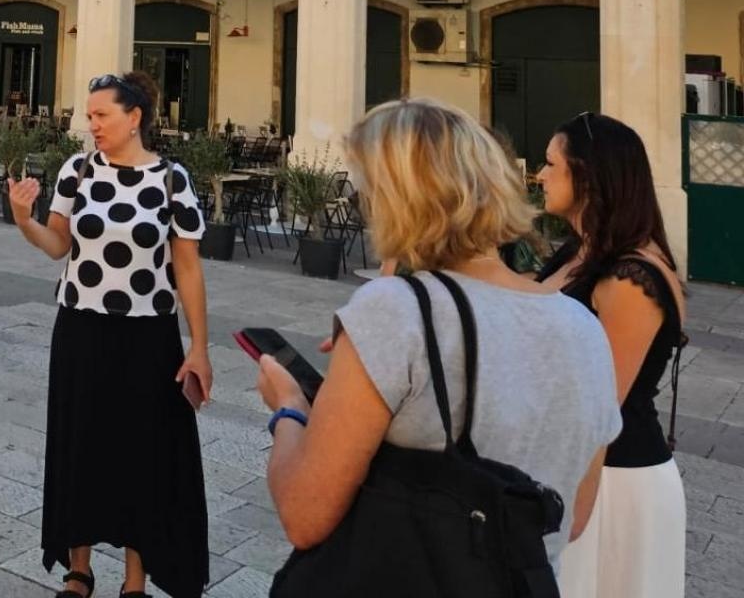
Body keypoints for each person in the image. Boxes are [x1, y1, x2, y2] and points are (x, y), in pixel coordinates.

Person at [256, 98, 622, 572]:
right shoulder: (585, 329)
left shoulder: (396, 310)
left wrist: (289, 408)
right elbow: (573, 517)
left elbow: (304, 515)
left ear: (396, 199)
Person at [6, 71, 210, 598]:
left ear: (134, 117)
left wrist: (200, 346)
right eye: (89, 115)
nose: (91, 124)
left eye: (101, 115)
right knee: (82, 443)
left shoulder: (172, 180)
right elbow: (58, 245)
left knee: (142, 452)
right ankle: (80, 568)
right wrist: (25, 220)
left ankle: (135, 578)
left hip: (149, 336)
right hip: (82, 328)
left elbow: (187, 269)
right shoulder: (77, 171)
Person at [536, 112, 687, 598]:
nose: (539, 176)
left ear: (587, 175)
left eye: (550, 164)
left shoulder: (630, 278)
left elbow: (601, 406)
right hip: (571, 474)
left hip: (613, 484)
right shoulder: (579, 253)